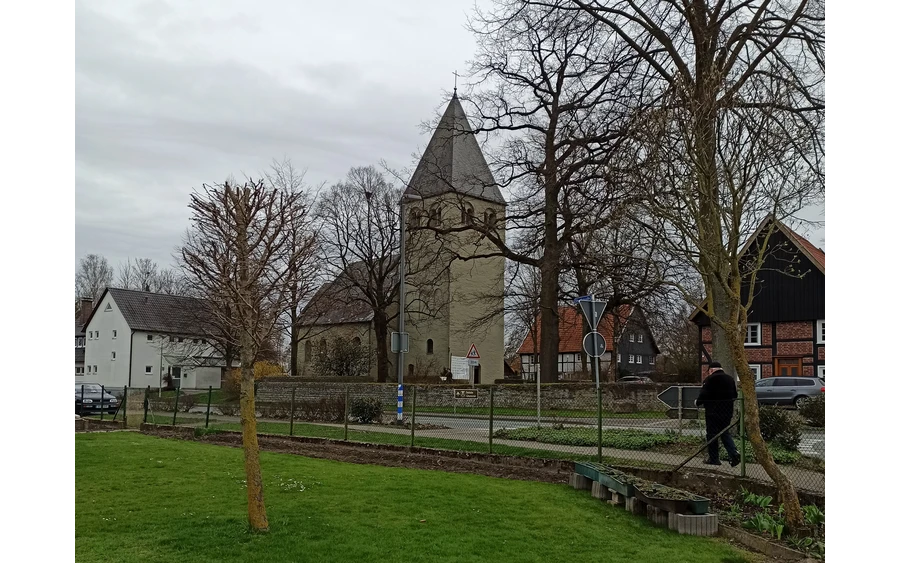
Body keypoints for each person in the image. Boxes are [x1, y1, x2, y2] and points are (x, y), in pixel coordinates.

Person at [695, 361, 741, 467]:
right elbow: (734, 395)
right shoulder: (730, 379)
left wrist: (697, 402)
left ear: (711, 370)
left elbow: (703, 395)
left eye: (709, 371)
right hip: (726, 412)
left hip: (712, 412)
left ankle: (714, 458)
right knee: (724, 432)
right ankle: (733, 453)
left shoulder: (710, 380)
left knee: (712, 435)